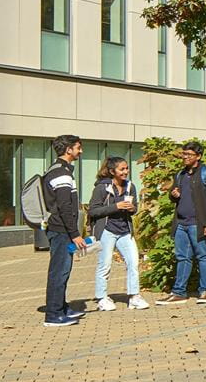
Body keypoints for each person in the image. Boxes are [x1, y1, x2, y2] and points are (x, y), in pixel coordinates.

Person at [155, 141, 206, 306]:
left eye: (189, 155)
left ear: (198, 157)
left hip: (198, 223)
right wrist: (173, 195)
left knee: (204, 256)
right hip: (181, 223)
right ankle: (179, 292)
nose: (185, 157)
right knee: (182, 257)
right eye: (183, 154)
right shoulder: (180, 175)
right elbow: (175, 195)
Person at [88, 156, 148, 312]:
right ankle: (102, 298)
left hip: (125, 231)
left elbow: (135, 208)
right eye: (122, 169)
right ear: (112, 171)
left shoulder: (130, 186)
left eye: (127, 168)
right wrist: (116, 206)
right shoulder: (102, 188)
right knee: (105, 265)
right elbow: (93, 211)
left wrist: (132, 209)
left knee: (133, 262)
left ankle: (134, 296)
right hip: (107, 231)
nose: (126, 172)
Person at [43, 135, 88, 327]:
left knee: (63, 270)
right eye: (78, 147)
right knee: (59, 272)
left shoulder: (59, 170)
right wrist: (75, 234)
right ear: (68, 150)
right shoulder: (61, 174)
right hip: (61, 230)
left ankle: (61, 308)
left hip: (61, 230)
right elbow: (64, 207)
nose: (80, 151)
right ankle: (53, 315)